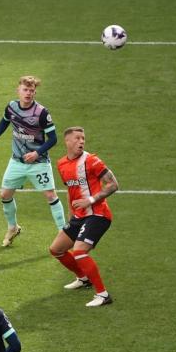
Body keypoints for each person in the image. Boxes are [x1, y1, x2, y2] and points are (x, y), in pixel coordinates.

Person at [0, 76, 64, 247]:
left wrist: (37, 152)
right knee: (5, 195)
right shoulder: (11, 107)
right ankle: (13, 227)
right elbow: (5, 120)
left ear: (35, 92)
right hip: (17, 162)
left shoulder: (41, 113)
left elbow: (53, 138)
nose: (28, 93)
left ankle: (64, 231)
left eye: (31, 91)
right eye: (25, 90)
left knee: (50, 195)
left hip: (38, 163)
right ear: (18, 91)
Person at [50, 127, 118, 307]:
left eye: (83, 138)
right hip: (78, 216)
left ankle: (103, 295)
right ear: (67, 142)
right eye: (77, 138)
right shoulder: (61, 164)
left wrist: (90, 200)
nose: (81, 141)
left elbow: (113, 184)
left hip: (98, 214)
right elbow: (70, 190)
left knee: (79, 251)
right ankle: (83, 278)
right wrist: (70, 214)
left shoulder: (92, 160)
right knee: (56, 249)